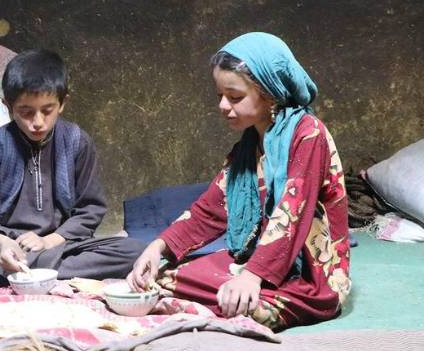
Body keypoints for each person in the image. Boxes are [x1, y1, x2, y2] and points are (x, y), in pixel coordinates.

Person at [127, 32, 350, 331]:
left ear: (270, 93)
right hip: (258, 259)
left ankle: (243, 296)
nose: (222, 105)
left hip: (307, 271)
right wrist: (158, 248)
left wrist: (251, 276)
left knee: (252, 306)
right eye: (219, 95)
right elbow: (210, 209)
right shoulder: (247, 146)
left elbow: (291, 213)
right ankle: (229, 295)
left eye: (234, 97)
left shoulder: (309, 134)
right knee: (165, 278)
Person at [0, 49, 143, 284]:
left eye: (47, 110)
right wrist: (2, 242)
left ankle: (3, 275)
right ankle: (32, 272)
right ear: (8, 106)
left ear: (63, 103)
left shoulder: (77, 141)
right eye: (26, 112)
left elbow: (90, 209)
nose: (38, 122)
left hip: (60, 243)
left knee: (132, 249)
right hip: (9, 245)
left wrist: (49, 241)